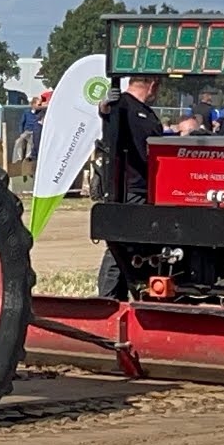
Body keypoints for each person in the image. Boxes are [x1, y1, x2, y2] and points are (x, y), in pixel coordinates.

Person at [96, 75, 164, 300]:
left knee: (138, 247)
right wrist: (105, 105)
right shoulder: (122, 105)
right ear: (152, 84)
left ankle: (131, 296)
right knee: (121, 245)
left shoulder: (148, 113)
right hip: (128, 189)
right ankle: (108, 300)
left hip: (147, 188)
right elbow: (106, 114)